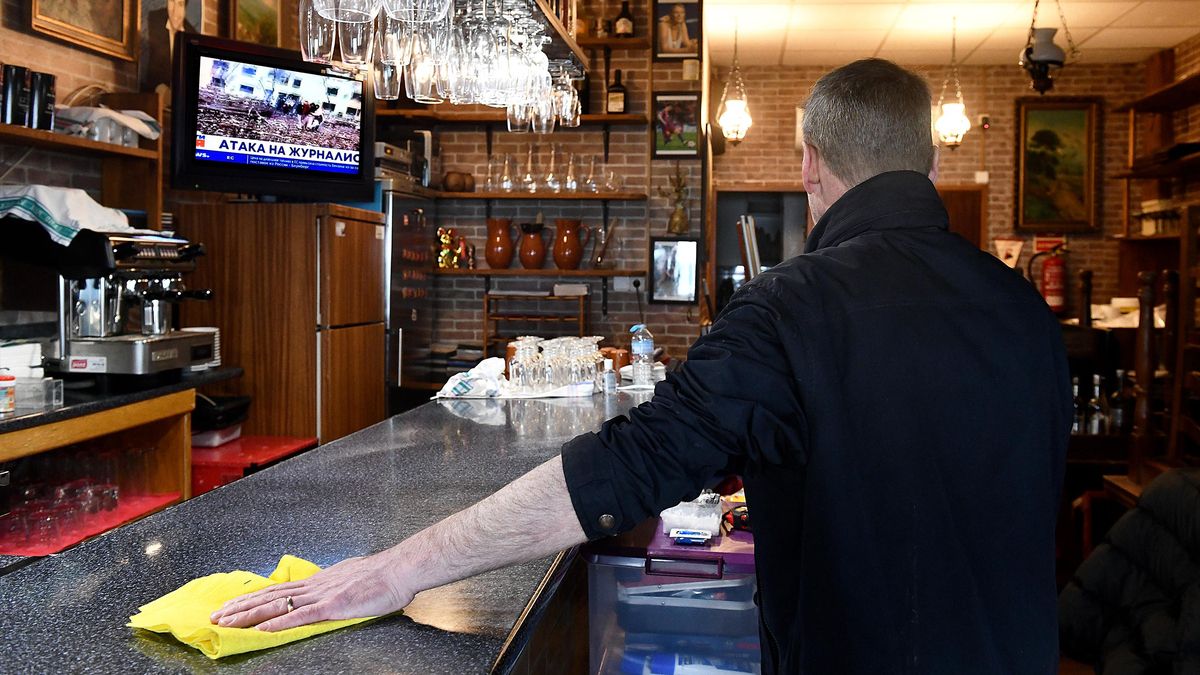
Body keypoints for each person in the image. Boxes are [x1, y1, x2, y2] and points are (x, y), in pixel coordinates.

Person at [211, 59, 1071, 674]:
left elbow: (619, 470)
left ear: (809, 162)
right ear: (929, 163)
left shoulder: (789, 307)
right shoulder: (1026, 311)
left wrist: (390, 570)